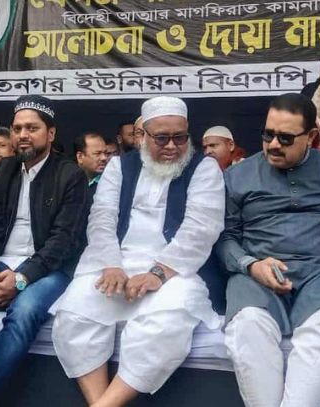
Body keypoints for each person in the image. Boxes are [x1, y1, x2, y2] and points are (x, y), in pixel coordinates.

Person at [50, 96, 224, 407]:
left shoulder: (204, 168)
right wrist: (111, 265)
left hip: (175, 270)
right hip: (116, 262)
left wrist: (158, 273)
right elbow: (101, 219)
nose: (172, 146)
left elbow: (201, 228)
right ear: (143, 136)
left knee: (167, 321)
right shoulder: (120, 166)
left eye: (180, 137)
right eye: (162, 138)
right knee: (75, 311)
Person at [216, 93, 320, 407]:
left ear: (312, 137)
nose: (274, 144)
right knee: (248, 327)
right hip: (257, 275)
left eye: (286, 138)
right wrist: (250, 265)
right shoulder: (237, 176)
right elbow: (224, 238)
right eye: (268, 135)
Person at [0, 95, 88, 407]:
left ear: (51, 133)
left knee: (24, 313)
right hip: (0, 262)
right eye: (17, 128)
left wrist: (21, 278)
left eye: (32, 128)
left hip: (48, 268)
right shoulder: (4, 170)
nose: (23, 135)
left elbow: (63, 242)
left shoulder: (70, 175)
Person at [74, 131, 108, 197]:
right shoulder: (67, 182)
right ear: (80, 157)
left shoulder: (111, 182)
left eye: (105, 153)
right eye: (97, 153)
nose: (104, 158)